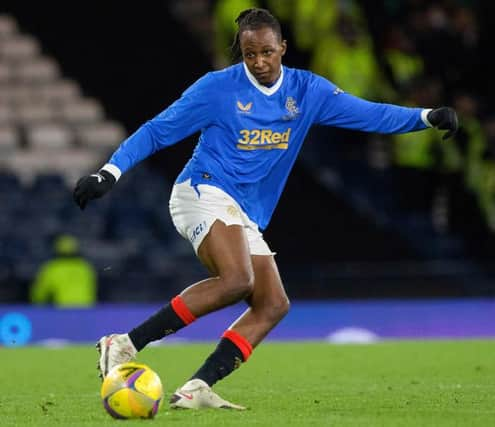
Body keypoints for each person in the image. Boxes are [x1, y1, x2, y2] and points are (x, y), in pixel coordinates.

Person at [73, 8, 458, 410]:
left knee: (273, 304)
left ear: (283, 48)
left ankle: (197, 386)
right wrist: (109, 173)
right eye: (249, 54)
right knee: (237, 279)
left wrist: (426, 117)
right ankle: (124, 343)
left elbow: (370, 114)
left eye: (267, 52)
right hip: (202, 190)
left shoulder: (307, 92)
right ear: (240, 52)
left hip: (245, 211)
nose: (258, 62)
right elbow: (157, 130)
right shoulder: (217, 89)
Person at [30, 234, 97, 307]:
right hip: (87, 310)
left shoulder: (52, 268)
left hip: (62, 311)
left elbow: (39, 294)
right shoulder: (85, 267)